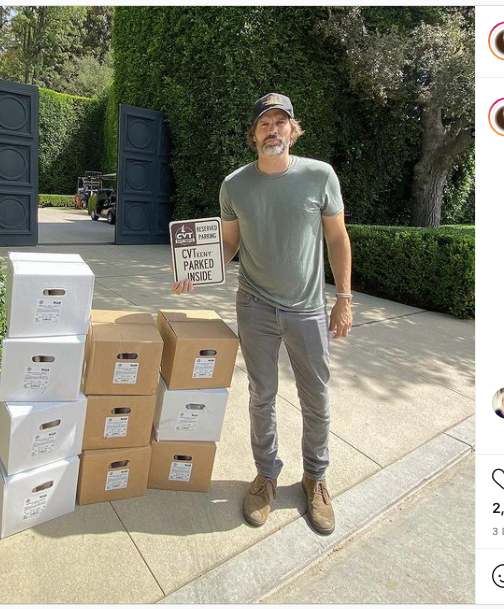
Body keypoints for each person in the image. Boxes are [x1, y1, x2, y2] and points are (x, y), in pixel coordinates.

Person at [172, 93, 352, 536]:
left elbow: (337, 239)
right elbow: (230, 242)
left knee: (317, 400)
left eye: (281, 122)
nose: (273, 129)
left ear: (294, 130)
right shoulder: (235, 185)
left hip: (308, 309)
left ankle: (315, 478)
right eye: (264, 124)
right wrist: (203, 266)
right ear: (253, 135)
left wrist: (344, 297)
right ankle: (266, 475)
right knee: (261, 395)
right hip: (254, 306)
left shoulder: (320, 176)